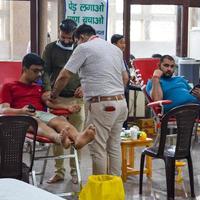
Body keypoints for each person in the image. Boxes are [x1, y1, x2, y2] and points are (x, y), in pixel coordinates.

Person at [0, 53, 96, 180]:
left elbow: (49, 103)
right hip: (21, 118)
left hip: (40, 114)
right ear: (24, 69)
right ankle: (59, 138)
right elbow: (4, 109)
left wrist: (66, 107)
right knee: (36, 121)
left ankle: (77, 138)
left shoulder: (38, 88)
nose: (39, 74)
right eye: (35, 71)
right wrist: (21, 111)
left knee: (60, 120)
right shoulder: (9, 86)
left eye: (41, 71)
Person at [50, 24, 129, 176]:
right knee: (114, 146)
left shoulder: (84, 47)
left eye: (75, 41)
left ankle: (100, 192)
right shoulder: (115, 49)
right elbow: (125, 77)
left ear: (81, 37)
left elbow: (64, 75)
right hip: (121, 104)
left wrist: (54, 94)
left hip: (102, 105)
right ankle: (114, 189)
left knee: (98, 148)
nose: (76, 45)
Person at [42, 19, 84, 184]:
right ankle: (59, 171)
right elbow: (45, 71)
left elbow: (88, 71)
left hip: (77, 99)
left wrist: (84, 87)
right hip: (56, 98)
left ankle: (76, 172)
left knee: (77, 136)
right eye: (63, 37)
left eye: (69, 38)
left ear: (74, 35)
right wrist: (47, 89)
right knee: (58, 136)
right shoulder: (51, 48)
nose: (66, 41)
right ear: (59, 33)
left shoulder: (80, 49)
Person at [111, 34, 130, 129]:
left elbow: (126, 75)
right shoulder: (112, 57)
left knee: (123, 118)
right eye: (121, 42)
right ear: (114, 44)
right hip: (117, 92)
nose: (124, 45)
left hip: (122, 91)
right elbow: (124, 77)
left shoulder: (121, 56)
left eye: (124, 42)